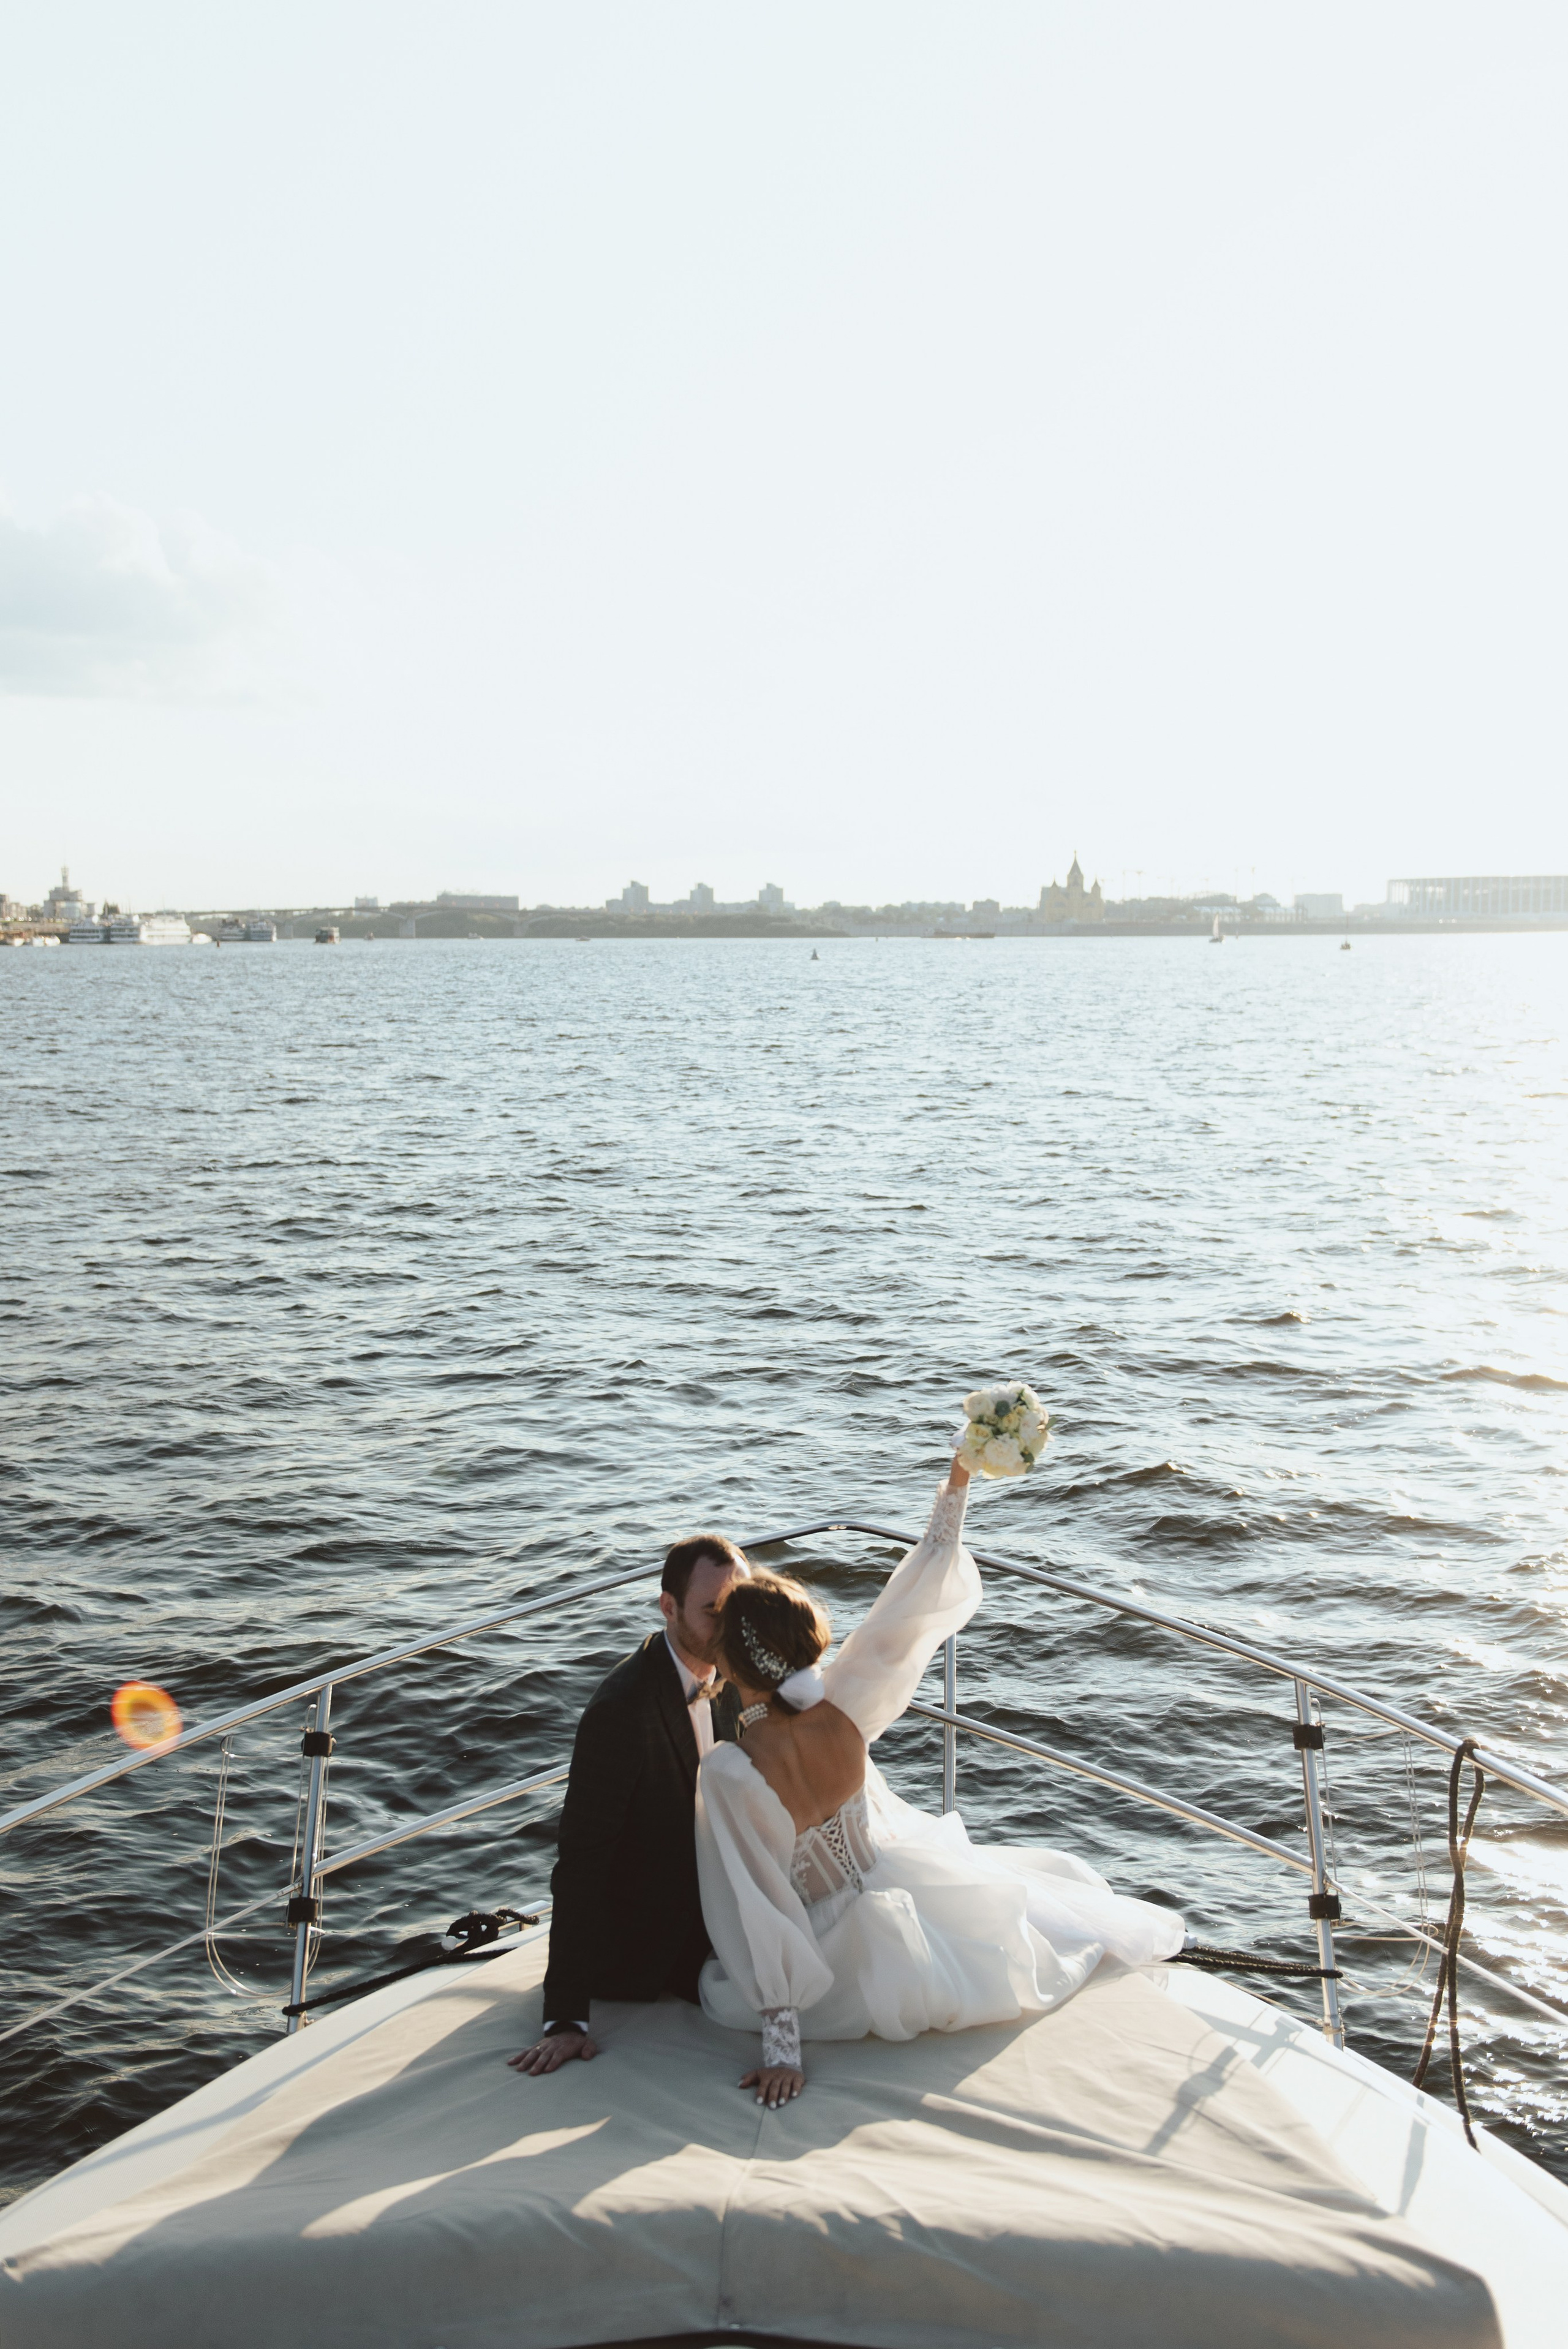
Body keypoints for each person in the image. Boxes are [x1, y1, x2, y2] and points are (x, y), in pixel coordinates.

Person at [696, 1452, 1186, 2108]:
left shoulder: (730, 1770)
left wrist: (783, 2046)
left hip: (834, 1959)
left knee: (715, 1987)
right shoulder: (844, 1707)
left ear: (730, 1658)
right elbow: (906, 1611)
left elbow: (759, 1904)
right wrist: (958, 1479)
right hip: (907, 1894)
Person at [508, 1531, 747, 2076]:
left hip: (720, 1905)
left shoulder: (732, 1674)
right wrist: (565, 2018)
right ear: (668, 1607)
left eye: (736, 1609)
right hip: (656, 1944)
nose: (728, 1626)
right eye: (713, 1611)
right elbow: (581, 1862)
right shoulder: (622, 1710)